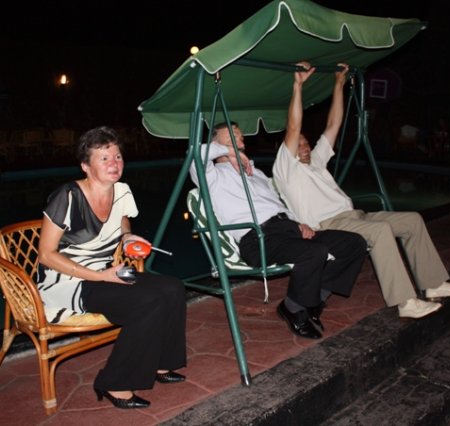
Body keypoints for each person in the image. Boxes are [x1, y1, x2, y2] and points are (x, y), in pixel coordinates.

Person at [272, 61, 450, 319]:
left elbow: (333, 125)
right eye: (298, 144)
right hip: (329, 225)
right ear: (286, 150)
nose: (304, 147)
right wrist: (298, 87)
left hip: (356, 216)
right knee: (380, 232)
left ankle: (433, 284)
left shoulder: (317, 162)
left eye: (306, 143)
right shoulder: (286, 171)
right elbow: (293, 127)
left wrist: (339, 84)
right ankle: (406, 302)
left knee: (412, 220)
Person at [37, 126, 187, 409]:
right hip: (66, 280)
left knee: (172, 288)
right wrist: (99, 275)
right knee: (146, 301)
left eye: (117, 156)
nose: (114, 163)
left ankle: (161, 363)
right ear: (85, 166)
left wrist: (127, 237)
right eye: (104, 158)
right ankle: (115, 383)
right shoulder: (68, 196)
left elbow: (123, 220)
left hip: (104, 272)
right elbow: (45, 255)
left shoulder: (122, 191)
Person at [189, 122, 367, 340]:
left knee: (354, 243)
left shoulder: (256, 173)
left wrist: (298, 223)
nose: (239, 139)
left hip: (288, 230)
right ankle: (293, 308)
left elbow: (277, 206)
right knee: (315, 252)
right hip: (258, 239)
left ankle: (314, 300)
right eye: (231, 137)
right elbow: (196, 154)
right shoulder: (212, 176)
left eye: (240, 136)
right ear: (216, 144)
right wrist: (230, 152)